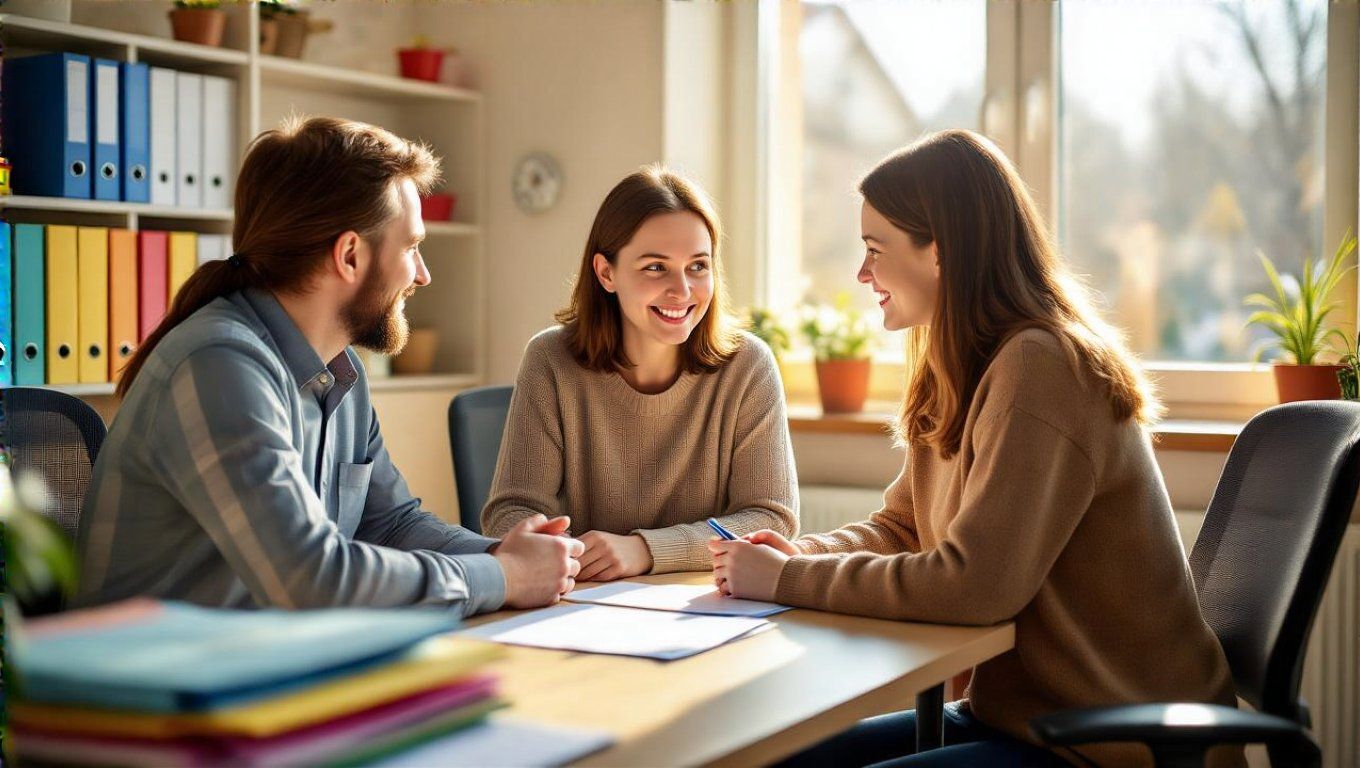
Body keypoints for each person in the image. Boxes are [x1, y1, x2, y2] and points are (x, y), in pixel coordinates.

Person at [709, 130, 1240, 768]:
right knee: (771, 758)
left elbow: (975, 585)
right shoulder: (959, 359)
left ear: (942, 250)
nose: (862, 273)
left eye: (876, 249)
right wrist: (798, 555)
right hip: (1017, 717)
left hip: (1105, 741)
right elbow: (902, 525)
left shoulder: (1043, 367)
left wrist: (789, 579)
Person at [76, 116, 582, 615]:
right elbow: (307, 578)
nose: (422, 275)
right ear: (349, 255)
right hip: (153, 685)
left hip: (260, 669)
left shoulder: (341, 371)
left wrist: (501, 555)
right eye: (411, 247)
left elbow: (390, 524)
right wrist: (505, 577)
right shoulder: (219, 365)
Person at [482, 165, 798, 581]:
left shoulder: (748, 366)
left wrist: (645, 550)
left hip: (703, 604)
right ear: (606, 273)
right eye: (655, 267)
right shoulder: (551, 359)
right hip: (581, 600)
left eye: (698, 266)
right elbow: (509, 515)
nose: (682, 290)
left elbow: (772, 520)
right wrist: (576, 555)